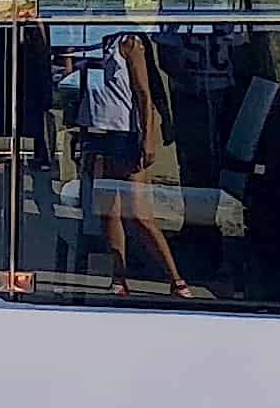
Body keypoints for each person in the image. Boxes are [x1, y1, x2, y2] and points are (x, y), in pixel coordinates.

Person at [80, 27, 198, 301]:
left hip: (124, 132)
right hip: (96, 128)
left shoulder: (129, 42)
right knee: (109, 212)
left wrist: (148, 138)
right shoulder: (89, 39)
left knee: (139, 213)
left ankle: (175, 278)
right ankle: (118, 276)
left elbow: (144, 93)